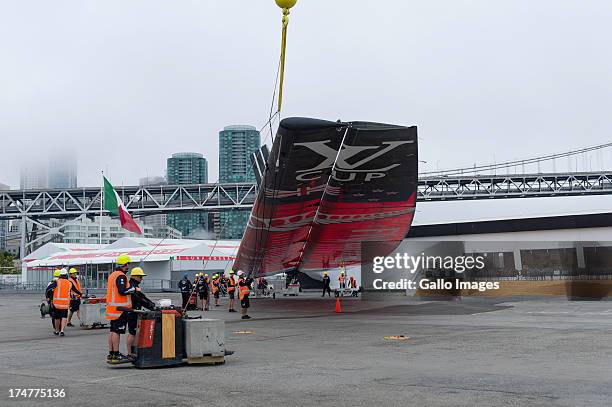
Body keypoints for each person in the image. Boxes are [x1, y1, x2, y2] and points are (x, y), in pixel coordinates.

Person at [106, 253, 138, 364]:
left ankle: (111, 353)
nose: (128, 267)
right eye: (128, 264)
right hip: (119, 309)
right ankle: (116, 353)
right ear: (124, 264)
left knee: (112, 330)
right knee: (117, 331)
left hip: (112, 308)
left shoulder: (112, 275)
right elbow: (122, 291)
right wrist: (133, 289)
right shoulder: (121, 276)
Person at [126, 267, 156, 359]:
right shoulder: (131, 285)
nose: (141, 279)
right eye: (140, 276)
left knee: (135, 333)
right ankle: (130, 353)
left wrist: (152, 304)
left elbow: (142, 296)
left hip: (136, 311)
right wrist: (150, 306)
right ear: (134, 276)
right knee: (132, 333)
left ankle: (134, 352)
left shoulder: (135, 285)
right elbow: (138, 298)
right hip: (132, 312)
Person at [48, 268, 81, 336]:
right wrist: (80, 294)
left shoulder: (56, 282)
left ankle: (57, 331)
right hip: (65, 304)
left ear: (60, 275)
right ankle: (62, 331)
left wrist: (49, 297)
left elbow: (48, 289)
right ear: (66, 275)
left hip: (56, 304)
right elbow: (74, 289)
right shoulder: (69, 283)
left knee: (57, 318)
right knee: (64, 317)